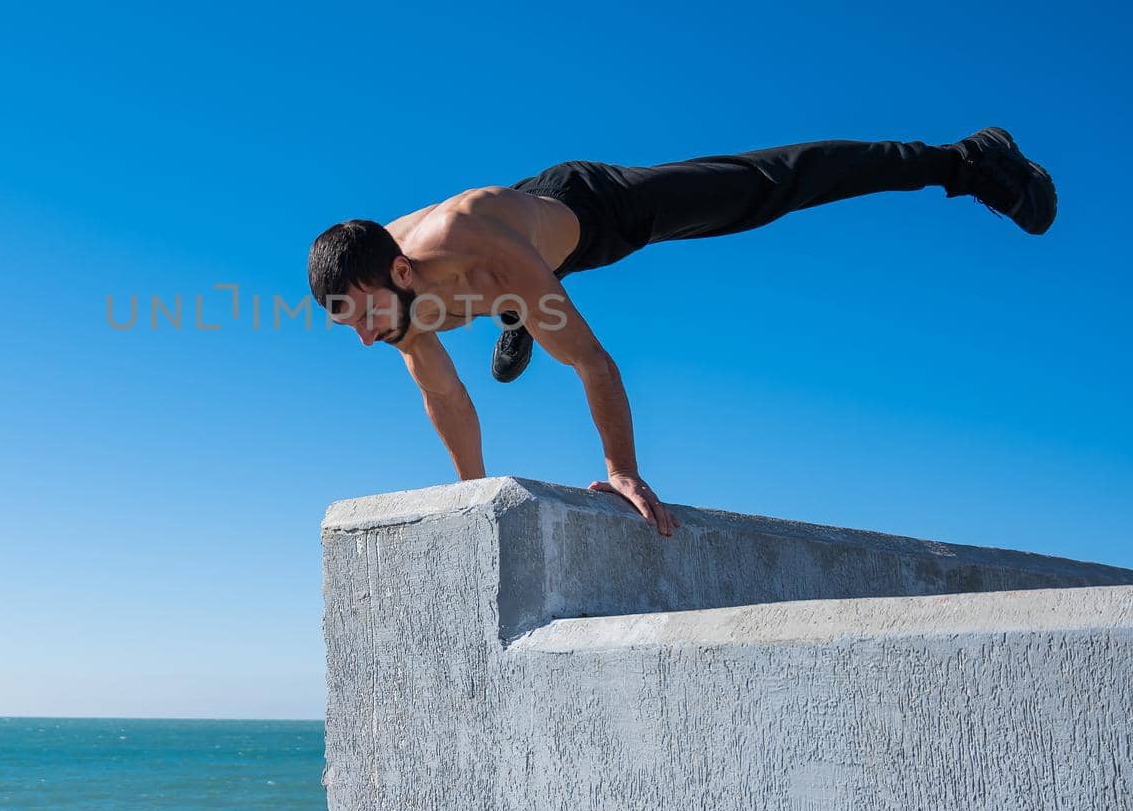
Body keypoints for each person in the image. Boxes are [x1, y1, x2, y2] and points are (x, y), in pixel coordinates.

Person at [305, 128, 1056, 537]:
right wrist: (471, 501)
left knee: (764, 188)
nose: (368, 338)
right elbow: (445, 392)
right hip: (505, 258)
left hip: (591, 209)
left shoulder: (477, 249)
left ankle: (966, 159)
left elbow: (596, 366)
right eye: (351, 326)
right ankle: (517, 317)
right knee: (505, 308)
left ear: (399, 274)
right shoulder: (388, 298)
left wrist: (621, 467)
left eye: (367, 316)